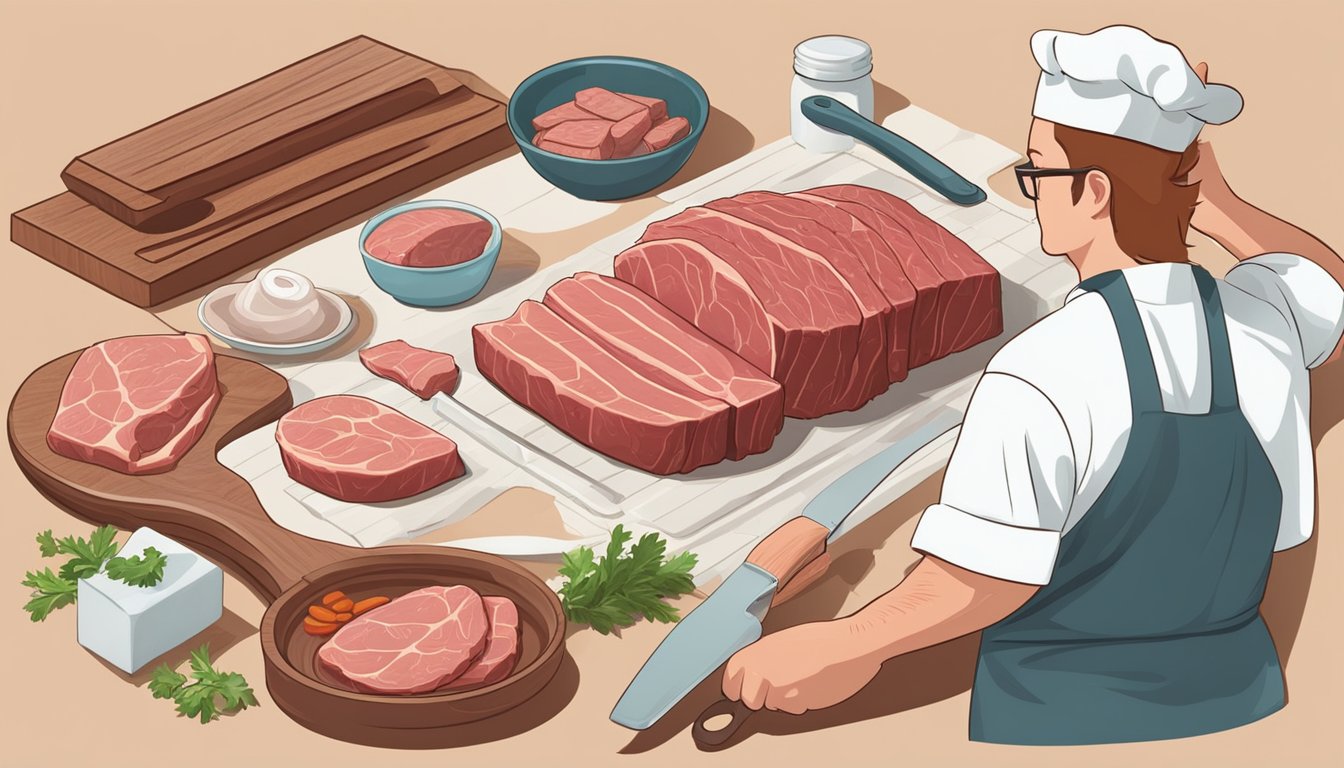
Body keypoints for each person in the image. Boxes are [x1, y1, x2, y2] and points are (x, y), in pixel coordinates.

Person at [721, 25, 1344, 745]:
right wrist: (1206, 194)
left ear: (1093, 192)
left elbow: (983, 579)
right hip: (1240, 697)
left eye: (1037, 170)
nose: (1032, 191)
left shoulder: (1044, 367)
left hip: (1060, 715)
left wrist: (844, 645)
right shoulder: (1268, 322)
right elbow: (1324, 279)